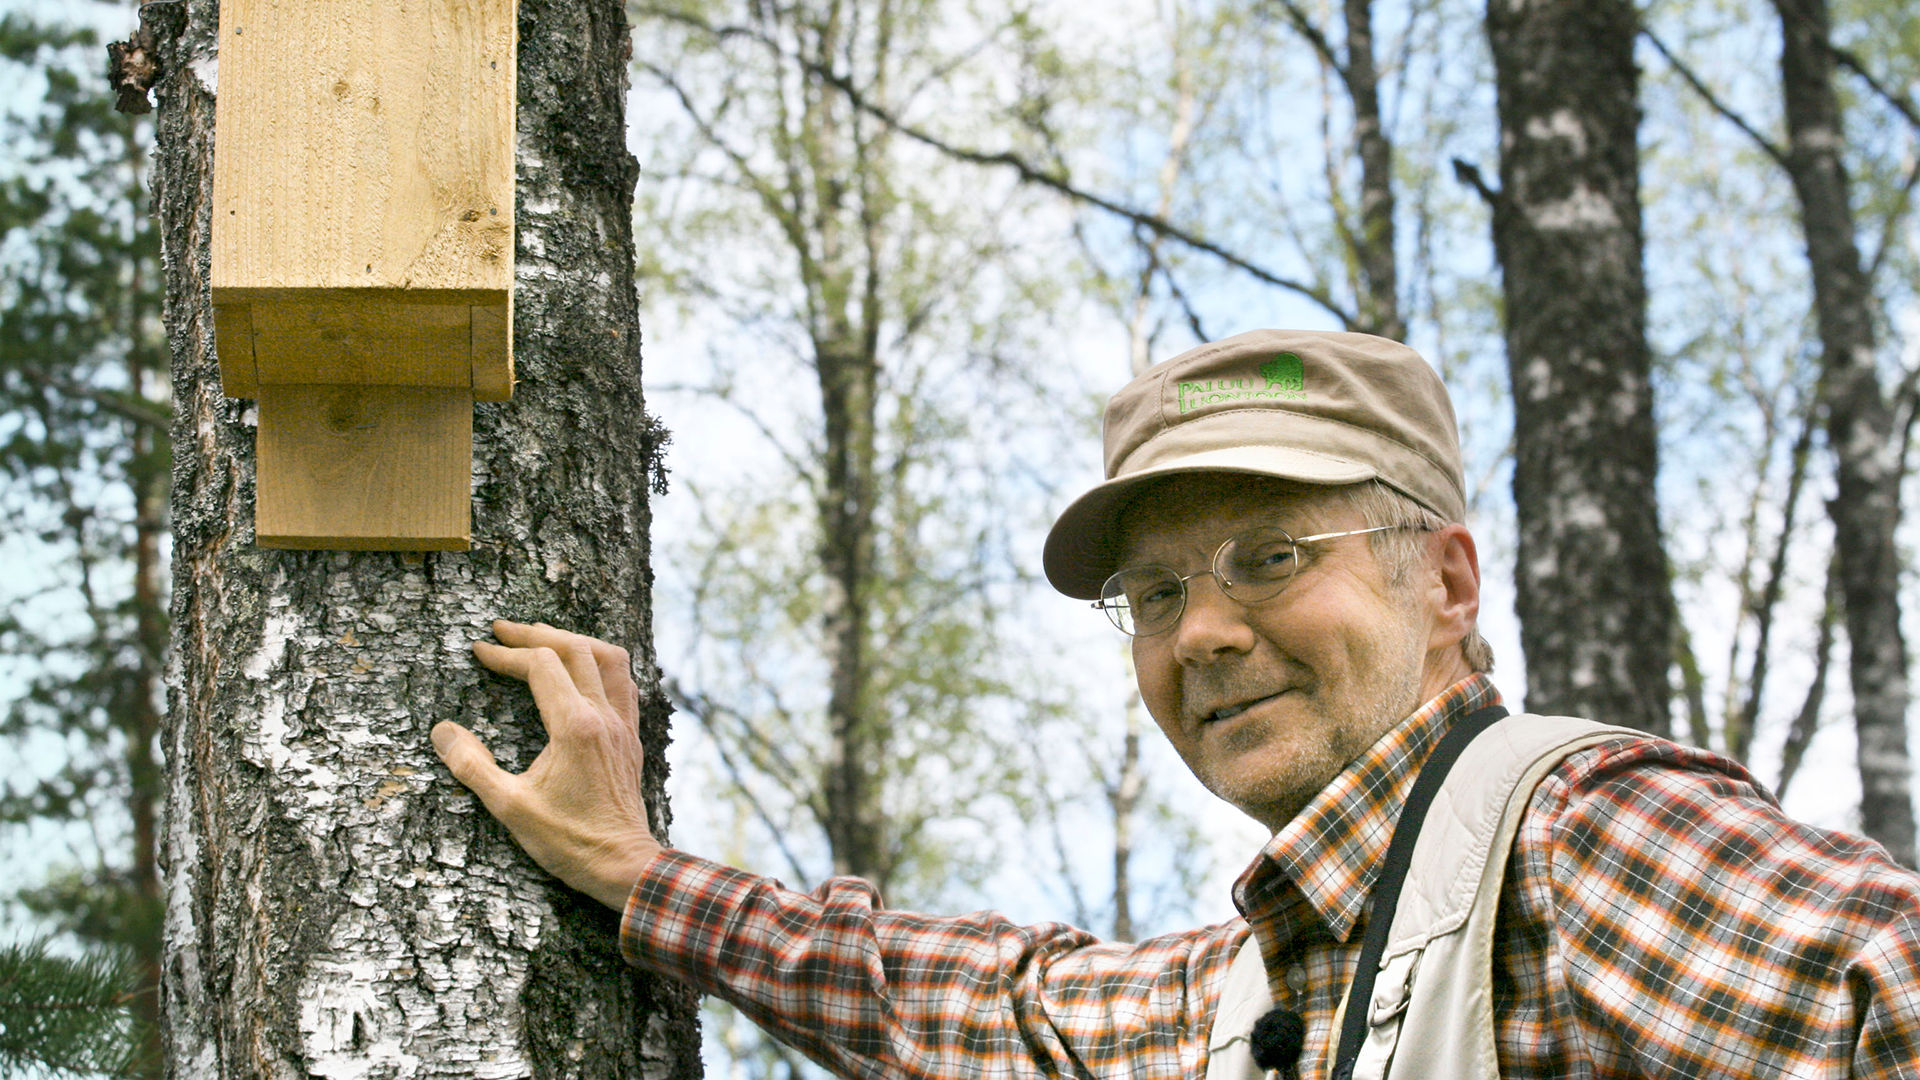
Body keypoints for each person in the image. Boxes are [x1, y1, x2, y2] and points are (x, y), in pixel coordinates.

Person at [430, 329, 1920, 1078]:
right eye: (1153, 593)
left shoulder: (1577, 841)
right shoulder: (1254, 995)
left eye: (1272, 557)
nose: (1201, 633)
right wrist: (637, 873)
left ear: (1447, 583)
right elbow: (974, 1007)